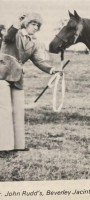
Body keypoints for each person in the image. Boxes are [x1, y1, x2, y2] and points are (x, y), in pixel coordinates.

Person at [0, 13, 60, 152]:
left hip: (18, 78)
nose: (36, 27)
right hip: (2, 75)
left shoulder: (33, 43)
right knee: (5, 111)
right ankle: (3, 147)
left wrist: (52, 70)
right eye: (33, 24)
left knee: (18, 111)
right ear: (25, 24)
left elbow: (39, 61)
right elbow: (8, 36)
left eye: (38, 26)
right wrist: (16, 22)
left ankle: (19, 146)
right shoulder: (13, 34)